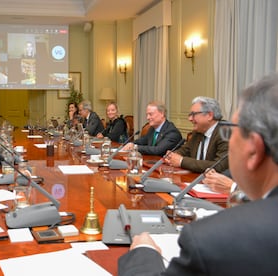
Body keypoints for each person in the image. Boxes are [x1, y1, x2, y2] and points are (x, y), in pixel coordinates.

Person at [118, 73, 278, 276]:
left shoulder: (210, 239)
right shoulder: (196, 136)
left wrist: (144, 252)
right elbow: (182, 152)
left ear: (254, 150)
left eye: (233, 133)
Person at [164, 96, 229, 173]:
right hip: (193, 179)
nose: (190, 119)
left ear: (209, 115)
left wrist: (181, 161)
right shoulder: (198, 131)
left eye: (193, 114)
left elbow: (218, 166)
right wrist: (173, 156)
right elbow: (185, 150)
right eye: (190, 115)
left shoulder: (225, 133)